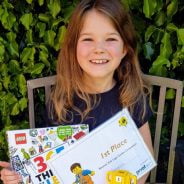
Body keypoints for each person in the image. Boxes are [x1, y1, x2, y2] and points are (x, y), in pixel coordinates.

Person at [0, 0, 154, 183]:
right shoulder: (60, 103)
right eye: (88, 39)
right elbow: (45, 166)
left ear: (125, 50)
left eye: (111, 39)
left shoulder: (132, 98)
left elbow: (145, 162)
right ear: (73, 48)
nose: (99, 49)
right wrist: (18, 174)